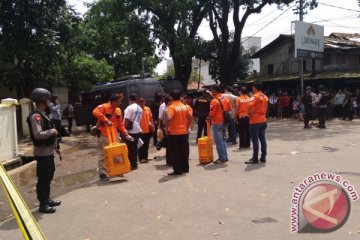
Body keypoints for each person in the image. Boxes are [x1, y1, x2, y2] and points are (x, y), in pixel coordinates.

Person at [27, 88, 61, 213]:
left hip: (48, 151)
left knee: (49, 176)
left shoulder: (43, 114)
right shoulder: (35, 116)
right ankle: (43, 204)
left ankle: (47, 199)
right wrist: (52, 131)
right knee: (43, 178)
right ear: (42, 100)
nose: (49, 101)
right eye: (47, 99)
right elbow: (38, 134)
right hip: (42, 153)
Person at [93, 94, 131, 181]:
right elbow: (95, 112)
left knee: (116, 153)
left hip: (114, 135)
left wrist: (125, 133)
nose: (120, 103)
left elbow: (120, 124)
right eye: (119, 101)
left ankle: (116, 170)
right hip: (104, 134)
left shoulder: (118, 110)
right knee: (103, 154)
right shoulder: (104, 107)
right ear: (113, 101)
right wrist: (106, 120)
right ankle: (102, 173)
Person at [166, 89, 193, 175]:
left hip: (174, 133)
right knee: (183, 151)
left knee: (175, 152)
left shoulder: (171, 107)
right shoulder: (184, 106)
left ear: (171, 98)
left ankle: (177, 170)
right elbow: (190, 118)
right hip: (183, 132)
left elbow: (169, 118)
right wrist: (187, 127)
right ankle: (185, 168)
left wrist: (167, 128)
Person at [245, 82, 269, 164]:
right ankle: (263, 157)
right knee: (262, 139)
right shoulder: (265, 96)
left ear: (255, 88)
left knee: (255, 140)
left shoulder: (255, 96)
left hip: (255, 121)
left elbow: (249, 105)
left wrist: (250, 113)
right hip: (263, 120)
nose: (252, 88)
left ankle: (255, 158)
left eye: (253, 87)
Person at [208, 84, 231, 164]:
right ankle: (225, 156)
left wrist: (208, 118)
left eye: (211, 90)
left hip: (217, 122)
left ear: (214, 90)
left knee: (219, 141)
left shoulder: (214, 101)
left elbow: (211, 113)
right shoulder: (225, 98)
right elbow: (229, 108)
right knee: (223, 139)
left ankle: (222, 158)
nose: (211, 92)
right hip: (225, 121)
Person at [124, 94, 143, 170]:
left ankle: (132, 164)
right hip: (138, 130)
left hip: (130, 131)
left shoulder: (129, 108)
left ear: (129, 100)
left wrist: (123, 129)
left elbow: (126, 119)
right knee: (135, 148)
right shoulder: (140, 108)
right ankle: (134, 163)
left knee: (130, 148)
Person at [138, 97, 155, 163]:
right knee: (141, 145)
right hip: (140, 130)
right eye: (140, 102)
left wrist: (153, 125)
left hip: (148, 129)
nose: (142, 103)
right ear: (138, 103)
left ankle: (145, 157)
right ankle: (141, 158)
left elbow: (151, 118)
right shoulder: (137, 110)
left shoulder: (147, 109)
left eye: (143, 102)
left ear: (144, 102)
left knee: (146, 144)